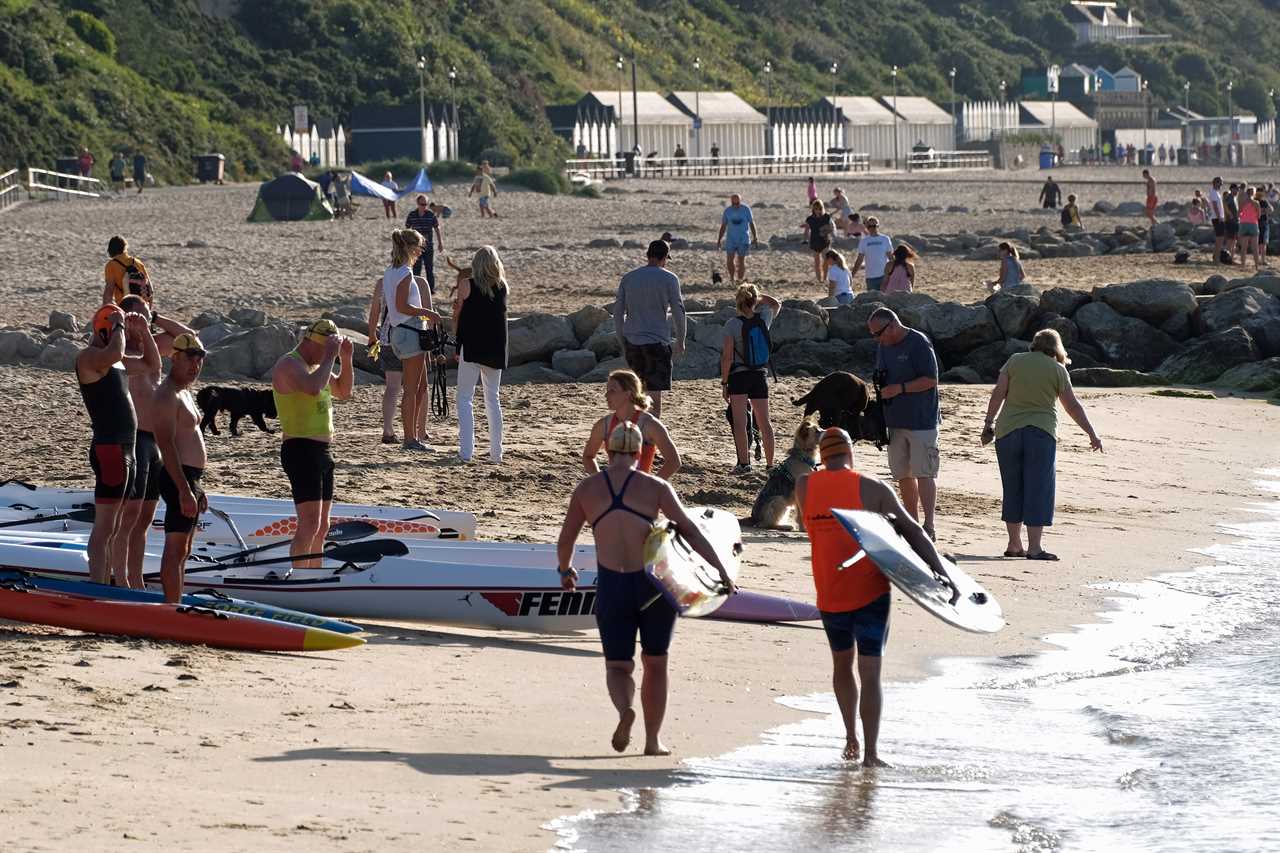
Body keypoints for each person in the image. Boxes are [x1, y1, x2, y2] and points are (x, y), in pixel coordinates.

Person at [557, 420, 734, 756]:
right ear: (641, 452)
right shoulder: (655, 487)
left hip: (612, 585)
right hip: (653, 586)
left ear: (607, 450)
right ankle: (653, 742)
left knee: (618, 666)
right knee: (656, 662)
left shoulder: (587, 489)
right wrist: (721, 570)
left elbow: (566, 539)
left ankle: (625, 711)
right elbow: (692, 532)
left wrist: (565, 571)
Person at [795, 426, 955, 765]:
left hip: (829, 591)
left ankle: (849, 739)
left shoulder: (804, 485)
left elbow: (809, 527)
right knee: (870, 674)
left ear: (822, 456)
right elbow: (913, 531)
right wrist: (942, 571)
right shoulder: (873, 488)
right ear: (851, 453)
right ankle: (870, 754)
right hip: (870, 593)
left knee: (841, 664)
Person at [982, 329, 1103, 561]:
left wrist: (988, 423)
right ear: (1057, 348)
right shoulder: (1057, 369)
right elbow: (1072, 406)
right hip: (1041, 432)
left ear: (1034, 344)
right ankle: (1034, 547)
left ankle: (1014, 544)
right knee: (1038, 489)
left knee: (1013, 487)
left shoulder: (1015, 361)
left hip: (1008, 432)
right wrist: (1092, 434)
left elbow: (998, 393)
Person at [116, 295, 196, 588]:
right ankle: (120, 580)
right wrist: (128, 323)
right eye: (137, 316)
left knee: (146, 517)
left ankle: (135, 581)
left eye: (145, 316)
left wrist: (154, 318)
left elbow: (189, 339)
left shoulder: (154, 345)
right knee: (130, 514)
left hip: (156, 442)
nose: (142, 321)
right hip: (133, 436)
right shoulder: (120, 349)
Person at [76, 305, 154, 585]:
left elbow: (150, 365)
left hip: (127, 449)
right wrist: (120, 324)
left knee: (116, 525)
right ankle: (98, 584)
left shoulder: (115, 362)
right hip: (109, 449)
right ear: (104, 329)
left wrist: (144, 332)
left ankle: (112, 584)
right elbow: (115, 353)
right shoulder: (89, 358)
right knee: (105, 525)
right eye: (114, 328)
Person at [270, 319, 354, 570]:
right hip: (300, 449)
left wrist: (346, 359)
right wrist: (330, 356)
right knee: (309, 525)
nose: (328, 354)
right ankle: (298, 576)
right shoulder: (290, 364)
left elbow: (343, 391)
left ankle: (314, 574)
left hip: (322, 451)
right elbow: (313, 388)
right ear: (310, 342)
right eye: (325, 348)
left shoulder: (319, 365)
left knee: (322, 526)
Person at [867, 307, 940, 539]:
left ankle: (929, 526)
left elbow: (931, 380)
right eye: (874, 335)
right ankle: (912, 523)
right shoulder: (883, 346)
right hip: (894, 421)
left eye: (878, 334)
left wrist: (900, 388)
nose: (876, 339)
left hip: (921, 420)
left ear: (892, 325)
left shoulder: (918, 342)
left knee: (924, 473)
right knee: (903, 475)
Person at [152, 334, 209, 602]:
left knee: (184, 548)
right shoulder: (166, 395)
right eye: (189, 358)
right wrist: (185, 489)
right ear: (174, 357)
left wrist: (197, 489)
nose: (195, 365)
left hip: (191, 478)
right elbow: (166, 444)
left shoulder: (184, 391)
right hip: (178, 477)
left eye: (199, 360)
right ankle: (171, 606)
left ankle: (176, 601)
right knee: (175, 549)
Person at [382, 229, 442, 450]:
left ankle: (414, 435)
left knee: (420, 386)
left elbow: (395, 307)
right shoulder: (405, 273)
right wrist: (428, 313)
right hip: (410, 331)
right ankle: (410, 438)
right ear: (411, 248)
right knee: (411, 388)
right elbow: (401, 306)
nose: (421, 251)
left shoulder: (391, 271)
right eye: (419, 247)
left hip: (401, 331)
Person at [614, 240, 686, 420]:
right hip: (657, 343)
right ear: (664, 258)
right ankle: (650, 442)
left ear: (648, 255)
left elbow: (618, 312)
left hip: (633, 341)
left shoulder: (629, 278)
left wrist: (621, 339)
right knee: (654, 397)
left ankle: (633, 437)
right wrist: (681, 340)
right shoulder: (669, 278)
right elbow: (678, 311)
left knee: (634, 393)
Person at [454, 246, 508, 463]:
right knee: (492, 399)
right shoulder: (503, 287)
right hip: (495, 347)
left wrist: (457, 347)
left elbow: (459, 317)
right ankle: (496, 453)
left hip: (472, 345)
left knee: (465, 398)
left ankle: (466, 452)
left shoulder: (467, 284)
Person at [721, 284, 781, 474]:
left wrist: (724, 383)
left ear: (737, 302)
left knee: (740, 422)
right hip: (759, 375)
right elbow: (776, 304)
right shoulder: (763, 319)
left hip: (739, 376)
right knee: (764, 422)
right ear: (754, 301)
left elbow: (727, 357)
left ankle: (744, 464)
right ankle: (770, 465)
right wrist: (758, 297)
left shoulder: (732, 324)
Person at [583, 369, 680, 480]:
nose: (606, 395)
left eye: (612, 390)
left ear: (628, 393)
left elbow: (674, 461)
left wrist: (652, 485)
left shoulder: (649, 424)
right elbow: (588, 456)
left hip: (639, 492)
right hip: (613, 490)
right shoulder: (603, 424)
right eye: (607, 390)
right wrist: (600, 480)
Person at [366, 275, 403, 444]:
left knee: (392, 387)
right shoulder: (414, 280)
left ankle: (388, 430)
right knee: (416, 388)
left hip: (388, 337)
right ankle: (418, 430)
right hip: (411, 338)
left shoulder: (382, 282)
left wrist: (372, 335)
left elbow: (375, 311)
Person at [404, 194, 445, 294]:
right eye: (422, 204)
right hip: (416, 247)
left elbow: (437, 228)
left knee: (429, 268)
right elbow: (407, 229)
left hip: (428, 245)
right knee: (416, 268)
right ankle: (415, 288)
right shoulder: (412, 215)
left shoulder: (431, 215)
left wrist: (440, 243)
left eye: (426, 204)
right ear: (418, 204)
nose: (424, 206)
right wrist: (407, 244)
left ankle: (431, 289)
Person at [716, 193, 758, 285]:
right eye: (734, 203)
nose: (736, 205)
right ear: (731, 202)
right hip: (731, 239)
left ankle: (740, 280)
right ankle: (732, 279)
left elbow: (751, 223)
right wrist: (719, 240)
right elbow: (723, 226)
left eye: (737, 203)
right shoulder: (727, 211)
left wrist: (755, 237)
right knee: (729, 259)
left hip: (743, 239)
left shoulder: (746, 209)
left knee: (741, 260)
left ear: (740, 201)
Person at [102, 235, 153, 307]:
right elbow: (150, 289)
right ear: (125, 247)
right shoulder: (138, 262)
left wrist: (105, 309)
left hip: (126, 307)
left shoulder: (111, 265)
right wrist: (149, 309)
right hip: (143, 306)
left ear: (110, 250)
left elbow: (109, 291)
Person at [850, 216, 894, 292]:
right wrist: (852, 274)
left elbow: (891, 257)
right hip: (870, 277)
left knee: (885, 299)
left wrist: (895, 272)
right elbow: (859, 260)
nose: (872, 228)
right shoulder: (864, 241)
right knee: (872, 300)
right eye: (870, 226)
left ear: (878, 226)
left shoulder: (885, 239)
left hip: (884, 276)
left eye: (874, 226)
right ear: (866, 227)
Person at [803, 200, 835, 284]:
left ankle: (825, 278)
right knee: (817, 262)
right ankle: (819, 280)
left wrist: (825, 231)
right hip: (814, 241)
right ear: (813, 209)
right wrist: (805, 240)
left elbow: (831, 228)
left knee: (826, 260)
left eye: (820, 208)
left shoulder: (826, 217)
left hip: (825, 241)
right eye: (816, 208)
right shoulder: (810, 219)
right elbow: (806, 230)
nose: (818, 210)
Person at [1238, 185, 1263, 270]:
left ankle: (1242, 266)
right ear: (1254, 193)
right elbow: (1259, 216)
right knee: (1255, 247)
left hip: (1244, 223)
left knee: (1244, 248)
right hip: (1253, 224)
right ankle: (1256, 266)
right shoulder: (1256, 203)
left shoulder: (1242, 202)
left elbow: (1239, 213)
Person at [1208, 176, 1227, 263]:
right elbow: (1215, 206)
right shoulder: (1213, 192)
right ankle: (1216, 258)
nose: (1221, 185)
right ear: (1215, 183)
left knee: (1220, 238)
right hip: (1216, 218)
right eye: (1220, 183)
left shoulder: (1216, 192)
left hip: (1219, 217)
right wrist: (1219, 217)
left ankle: (1216, 256)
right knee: (1219, 239)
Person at [1224, 183, 1240, 263]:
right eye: (1236, 189)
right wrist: (1229, 214)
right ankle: (1227, 258)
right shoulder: (1230, 197)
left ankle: (1231, 258)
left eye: (1238, 189)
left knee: (1234, 241)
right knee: (1230, 241)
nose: (1237, 190)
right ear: (1231, 189)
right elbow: (1225, 205)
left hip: (1235, 222)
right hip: (1231, 222)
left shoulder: (1234, 198)